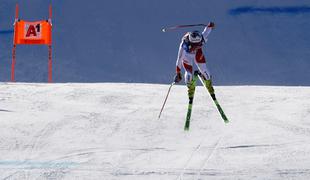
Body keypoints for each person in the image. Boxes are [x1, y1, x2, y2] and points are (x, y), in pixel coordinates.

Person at [174, 22, 216, 99]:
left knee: (205, 71)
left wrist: (210, 26)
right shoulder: (184, 45)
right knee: (189, 74)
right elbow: (179, 58)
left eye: (199, 44)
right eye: (195, 46)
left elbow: (206, 32)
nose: (196, 46)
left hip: (198, 54)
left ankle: (208, 83)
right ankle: (190, 87)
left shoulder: (201, 38)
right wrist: (178, 72)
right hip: (187, 56)